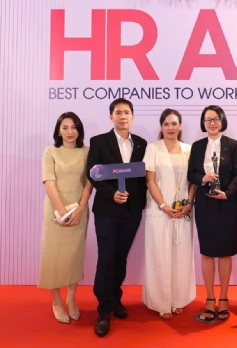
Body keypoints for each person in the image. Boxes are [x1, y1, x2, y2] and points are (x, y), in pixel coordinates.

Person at [86, 99, 148, 337]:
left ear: (133, 117)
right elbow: (93, 173)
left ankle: (114, 299)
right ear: (110, 116)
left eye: (127, 113)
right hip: (107, 211)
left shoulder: (141, 143)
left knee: (121, 258)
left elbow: (143, 177)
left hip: (132, 212)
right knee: (106, 258)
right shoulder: (99, 141)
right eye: (118, 113)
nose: (123, 116)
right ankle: (103, 311)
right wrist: (111, 193)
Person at [187, 105, 237, 323]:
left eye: (216, 119)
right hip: (205, 204)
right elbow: (191, 173)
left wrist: (227, 193)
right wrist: (202, 178)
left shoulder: (233, 145)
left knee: (226, 252)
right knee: (208, 252)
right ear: (203, 123)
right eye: (208, 119)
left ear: (222, 121)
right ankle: (210, 298)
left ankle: (224, 297)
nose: (212, 123)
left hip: (227, 204)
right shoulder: (197, 146)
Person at [38, 112, 93, 324]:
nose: (70, 132)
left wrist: (80, 208)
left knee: (74, 255)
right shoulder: (50, 152)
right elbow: (49, 182)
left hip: (79, 208)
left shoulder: (87, 152)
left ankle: (71, 298)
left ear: (79, 130)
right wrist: (62, 211)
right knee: (52, 256)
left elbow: (90, 181)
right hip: (55, 210)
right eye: (65, 127)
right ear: (58, 131)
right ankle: (56, 301)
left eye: (74, 127)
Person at [142, 109, 197, 319]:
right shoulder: (153, 148)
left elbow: (193, 181)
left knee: (181, 255)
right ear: (161, 126)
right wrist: (163, 205)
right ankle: (161, 302)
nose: (170, 127)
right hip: (159, 210)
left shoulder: (189, 149)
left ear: (180, 126)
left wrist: (189, 203)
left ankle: (179, 299)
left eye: (174, 123)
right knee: (159, 255)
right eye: (166, 124)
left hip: (183, 210)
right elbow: (150, 181)